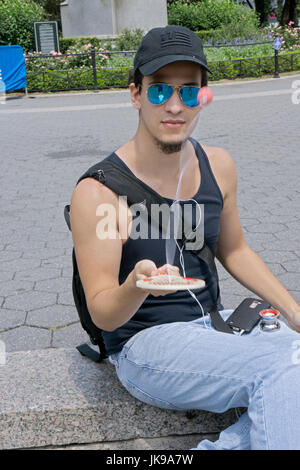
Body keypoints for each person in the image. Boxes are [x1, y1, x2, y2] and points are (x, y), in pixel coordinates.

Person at [69, 25, 300, 450]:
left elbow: (234, 249)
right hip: (145, 347)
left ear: (203, 97)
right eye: (159, 91)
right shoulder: (101, 191)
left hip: (215, 327)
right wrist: (135, 285)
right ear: (136, 94)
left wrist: (292, 310)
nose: (175, 106)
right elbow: (102, 313)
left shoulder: (218, 165)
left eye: (189, 92)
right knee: (286, 367)